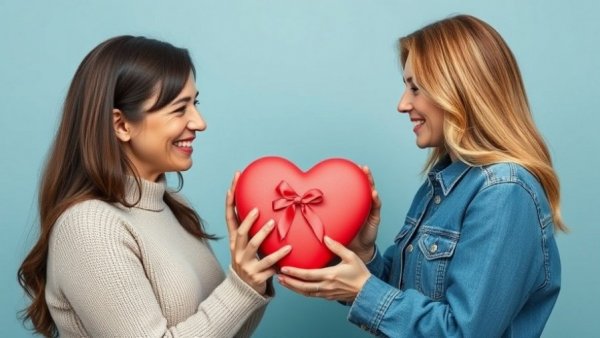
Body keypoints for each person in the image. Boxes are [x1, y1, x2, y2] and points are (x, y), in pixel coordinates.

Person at [278, 14, 565, 337]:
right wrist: (365, 255)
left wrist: (363, 290)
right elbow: (410, 300)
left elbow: (463, 332)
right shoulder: (442, 186)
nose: (403, 104)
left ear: (460, 90)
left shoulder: (504, 192)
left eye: (415, 88)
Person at [17, 36, 290, 338]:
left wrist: (257, 275)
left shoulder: (175, 206)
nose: (199, 123)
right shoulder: (90, 227)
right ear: (121, 125)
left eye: (194, 103)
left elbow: (230, 333)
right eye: (179, 109)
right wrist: (240, 287)